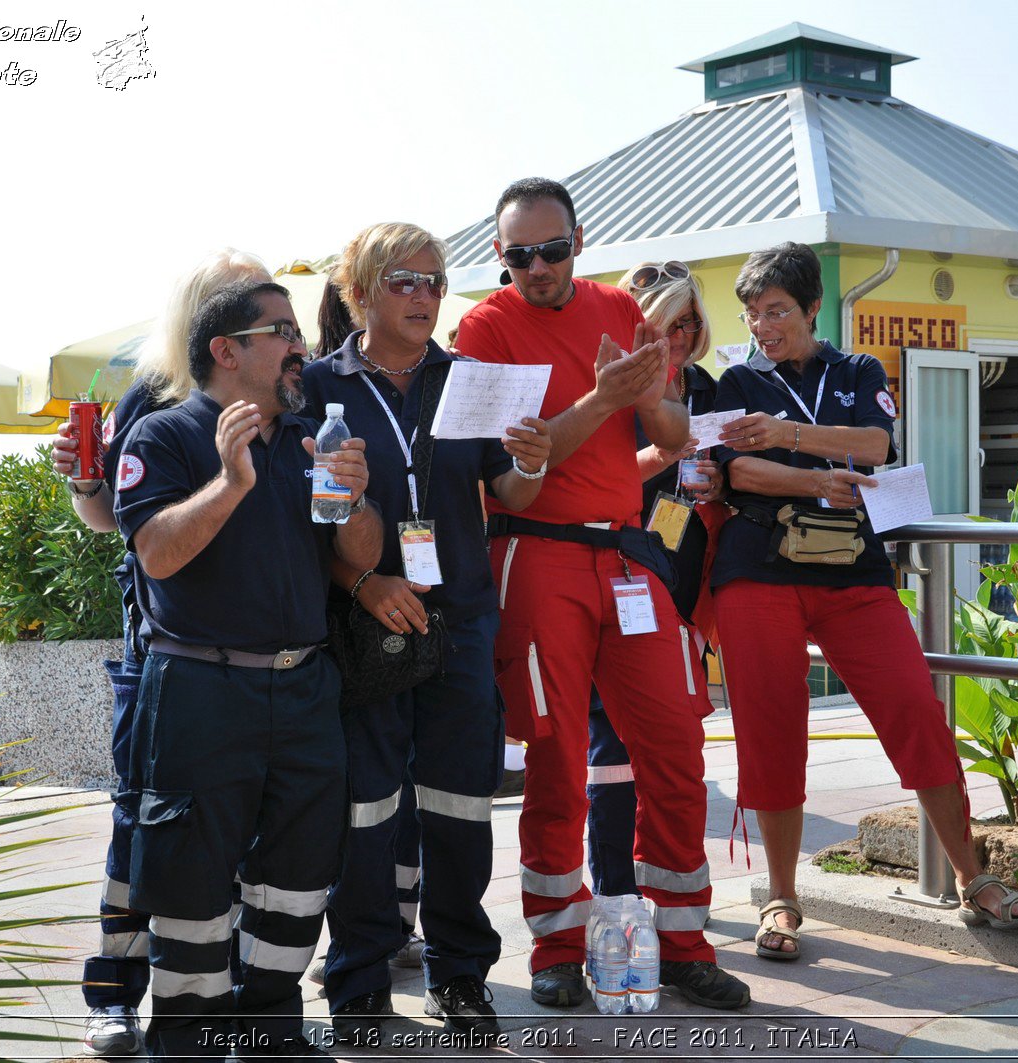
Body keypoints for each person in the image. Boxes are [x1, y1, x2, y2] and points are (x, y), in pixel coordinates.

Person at [454, 178, 750, 1010]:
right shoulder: (483, 326)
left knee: (675, 746)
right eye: (519, 255)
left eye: (551, 250)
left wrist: (648, 395)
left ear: (579, 241)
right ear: (500, 256)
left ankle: (685, 940)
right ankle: (554, 943)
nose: (536, 267)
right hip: (537, 553)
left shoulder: (623, 311)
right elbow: (520, 467)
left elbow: (673, 434)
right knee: (555, 761)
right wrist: (604, 397)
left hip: (626, 557)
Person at [712, 242, 1018, 962]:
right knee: (770, 728)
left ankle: (972, 875)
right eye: (752, 314)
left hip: (853, 571)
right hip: (757, 570)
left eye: (776, 311)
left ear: (811, 308)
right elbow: (735, 466)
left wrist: (789, 437)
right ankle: (780, 896)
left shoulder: (857, 369)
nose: (763, 326)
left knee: (914, 707)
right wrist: (807, 477)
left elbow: (873, 442)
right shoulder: (733, 378)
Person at [114, 278, 381, 1059]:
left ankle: (270, 1033)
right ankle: (188, 1042)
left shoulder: (310, 436)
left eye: (296, 331)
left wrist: (357, 502)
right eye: (282, 332)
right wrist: (231, 483)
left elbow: (356, 560)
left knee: (299, 877)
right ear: (226, 351)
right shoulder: (164, 436)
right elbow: (158, 553)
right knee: (190, 881)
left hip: (304, 686)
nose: (301, 346)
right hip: (201, 687)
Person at [303, 222, 553, 1041]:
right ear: (362, 291)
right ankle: (359, 978)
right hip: (364, 615)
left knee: (457, 805)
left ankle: (460, 973)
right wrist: (365, 582)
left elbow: (507, 490)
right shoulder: (313, 387)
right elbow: (302, 524)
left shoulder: (471, 379)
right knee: (367, 807)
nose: (424, 297)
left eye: (436, 282)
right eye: (405, 281)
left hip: (460, 618)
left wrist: (534, 459)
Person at [51, 249, 273, 1058]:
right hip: (163, 650)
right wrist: (82, 484)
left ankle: (224, 1003)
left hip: (253, 661)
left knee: (240, 836)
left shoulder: (287, 389)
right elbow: (111, 516)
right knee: (140, 824)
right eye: (241, 299)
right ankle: (112, 994)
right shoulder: (153, 393)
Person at [585, 260, 722, 899]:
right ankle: (615, 892)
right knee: (613, 745)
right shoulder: (609, 384)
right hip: (620, 577)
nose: (679, 334)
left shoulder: (709, 387)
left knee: (675, 748)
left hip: (686, 583)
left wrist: (723, 477)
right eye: (666, 322)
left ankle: (666, 895)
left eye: (690, 321)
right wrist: (662, 453)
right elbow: (591, 480)